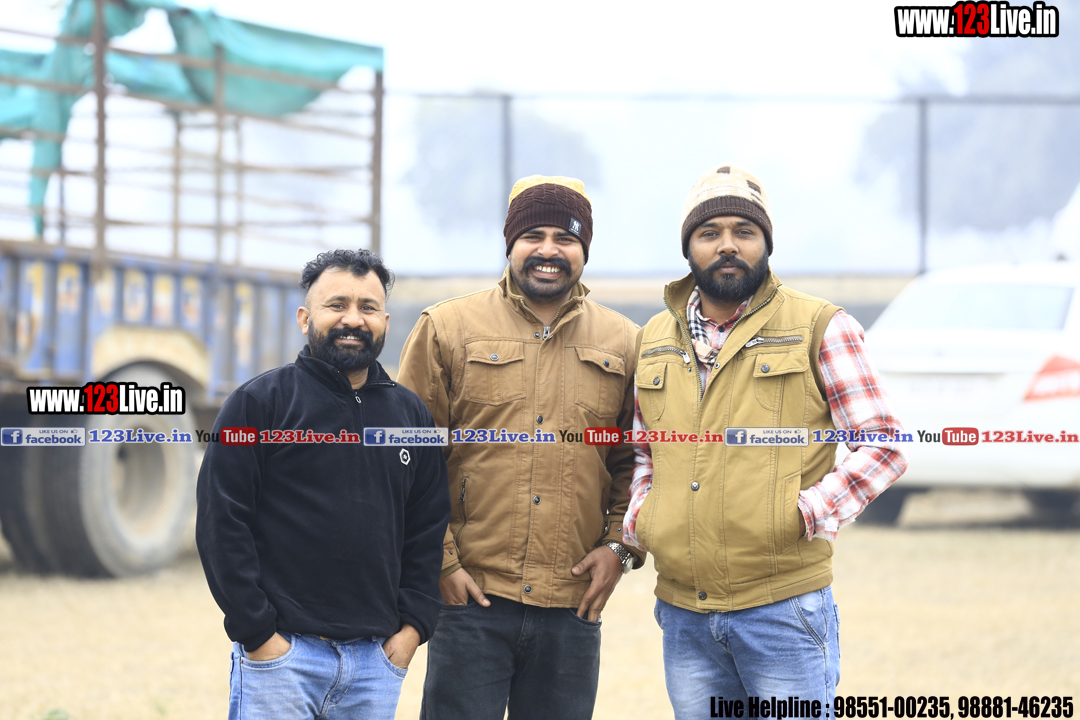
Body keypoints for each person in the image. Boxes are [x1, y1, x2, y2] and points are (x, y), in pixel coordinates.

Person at [625, 164, 908, 716]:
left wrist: (803, 512)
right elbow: (643, 452)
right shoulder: (653, 339)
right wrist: (645, 515)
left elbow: (883, 444)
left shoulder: (821, 326)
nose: (727, 245)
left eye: (744, 231)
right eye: (709, 233)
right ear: (688, 248)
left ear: (766, 243)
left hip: (783, 611)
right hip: (683, 615)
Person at [397, 175, 643, 720]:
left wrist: (620, 548)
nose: (548, 250)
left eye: (566, 238)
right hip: (470, 597)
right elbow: (406, 457)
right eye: (533, 235)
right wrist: (439, 562)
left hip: (572, 603)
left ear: (585, 250)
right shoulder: (447, 328)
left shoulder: (626, 343)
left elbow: (637, 461)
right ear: (510, 243)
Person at [196, 249, 450, 720]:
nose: (353, 319)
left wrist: (413, 629)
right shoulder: (259, 404)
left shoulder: (411, 415)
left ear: (385, 322)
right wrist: (258, 634)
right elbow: (221, 522)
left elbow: (427, 527)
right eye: (337, 305)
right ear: (304, 318)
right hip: (282, 660)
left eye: (367, 307)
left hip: (375, 664)